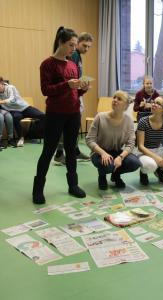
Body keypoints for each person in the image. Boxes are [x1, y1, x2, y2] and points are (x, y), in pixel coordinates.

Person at [33, 26, 90, 204]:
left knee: (71, 150)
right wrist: (67, 85)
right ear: (60, 42)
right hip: (55, 114)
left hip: (73, 113)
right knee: (48, 150)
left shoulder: (72, 64)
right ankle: (38, 189)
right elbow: (45, 90)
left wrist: (82, 90)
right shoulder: (47, 64)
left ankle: (73, 185)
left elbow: (74, 92)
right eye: (70, 45)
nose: (73, 49)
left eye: (75, 45)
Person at [86, 90, 141, 190]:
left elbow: (131, 144)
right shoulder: (100, 117)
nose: (115, 100)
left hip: (117, 152)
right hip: (98, 153)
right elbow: (89, 140)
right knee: (107, 165)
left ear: (125, 106)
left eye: (119, 99)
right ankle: (102, 176)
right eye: (114, 97)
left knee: (135, 163)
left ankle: (116, 175)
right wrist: (103, 153)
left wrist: (121, 157)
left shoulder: (128, 120)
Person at [54, 32, 94, 165]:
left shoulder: (78, 56)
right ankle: (61, 153)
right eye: (84, 45)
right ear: (78, 43)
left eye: (89, 47)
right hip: (71, 94)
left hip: (76, 92)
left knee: (74, 124)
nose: (87, 49)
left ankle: (73, 151)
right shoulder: (74, 54)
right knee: (70, 124)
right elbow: (70, 76)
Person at [0, 77, 45, 147]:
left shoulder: (10, 88)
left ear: (2, 83)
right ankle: (21, 137)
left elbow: (13, 99)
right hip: (14, 111)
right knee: (16, 118)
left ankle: (31, 133)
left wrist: (1, 101)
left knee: (42, 116)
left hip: (24, 107)